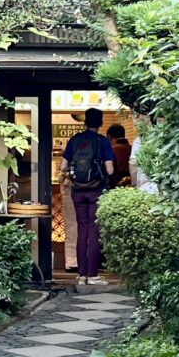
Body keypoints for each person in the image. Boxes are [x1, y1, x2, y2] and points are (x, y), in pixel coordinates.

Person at [60, 108, 114, 286]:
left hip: (78, 191)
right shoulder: (102, 141)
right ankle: (93, 275)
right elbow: (110, 170)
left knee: (82, 230)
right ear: (100, 123)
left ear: (85, 122)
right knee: (94, 230)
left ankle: (81, 275)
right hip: (96, 191)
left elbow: (63, 166)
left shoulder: (75, 141)